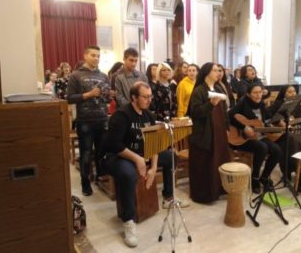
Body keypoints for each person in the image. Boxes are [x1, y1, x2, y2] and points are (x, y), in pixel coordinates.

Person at [103, 81, 187, 248]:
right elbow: (114, 145)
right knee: (128, 174)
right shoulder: (122, 115)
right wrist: (138, 159)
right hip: (118, 156)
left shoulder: (148, 115)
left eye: (150, 96)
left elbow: (153, 143)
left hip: (142, 154)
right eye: (145, 97)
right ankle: (129, 221)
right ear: (134, 98)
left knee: (170, 157)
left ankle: (168, 197)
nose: (149, 100)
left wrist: (153, 166)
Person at [67, 45, 110, 196]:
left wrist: (109, 95)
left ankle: (100, 177)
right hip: (85, 121)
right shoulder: (76, 75)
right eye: (93, 55)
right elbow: (69, 98)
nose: (96, 58)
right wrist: (88, 94)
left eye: (98, 56)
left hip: (102, 118)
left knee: (101, 152)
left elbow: (107, 98)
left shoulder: (103, 76)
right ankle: (85, 182)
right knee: (86, 153)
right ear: (85, 56)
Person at [188, 62, 231, 203]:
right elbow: (195, 112)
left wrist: (227, 128)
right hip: (204, 134)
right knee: (206, 164)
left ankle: (219, 189)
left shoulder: (218, 88)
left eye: (219, 70)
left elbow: (224, 112)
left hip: (219, 133)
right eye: (215, 70)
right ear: (207, 73)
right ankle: (205, 194)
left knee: (219, 161)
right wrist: (210, 104)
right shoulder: (199, 91)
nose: (218, 72)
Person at [228, 84, 282, 194]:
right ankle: (255, 178)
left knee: (277, 150)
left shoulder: (262, 104)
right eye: (255, 93)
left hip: (258, 135)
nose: (258, 95)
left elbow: (266, 120)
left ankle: (265, 177)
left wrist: (274, 125)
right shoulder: (243, 103)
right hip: (240, 138)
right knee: (262, 147)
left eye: (260, 92)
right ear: (248, 94)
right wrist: (244, 127)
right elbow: (229, 115)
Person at [268, 85, 301, 179]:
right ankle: (287, 171)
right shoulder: (277, 103)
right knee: (292, 141)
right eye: (290, 91)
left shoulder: (296, 104)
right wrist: (280, 122)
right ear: (284, 93)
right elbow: (269, 117)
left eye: (294, 91)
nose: (293, 93)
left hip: (294, 130)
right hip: (280, 133)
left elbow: (299, 119)